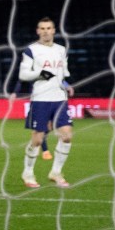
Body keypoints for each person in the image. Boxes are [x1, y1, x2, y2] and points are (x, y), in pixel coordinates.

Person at [18, 17, 75, 188]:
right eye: (42, 28)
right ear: (38, 31)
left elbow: (62, 73)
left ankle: (55, 172)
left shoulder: (61, 50)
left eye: (48, 28)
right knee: (37, 139)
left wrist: (65, 84)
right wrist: (41, 74)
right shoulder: (31, 50)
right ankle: (28, 174)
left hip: (60, 100)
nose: (45, 31)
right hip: (41, 99)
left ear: (54, 31)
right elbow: (23, 75)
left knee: (67, 136)